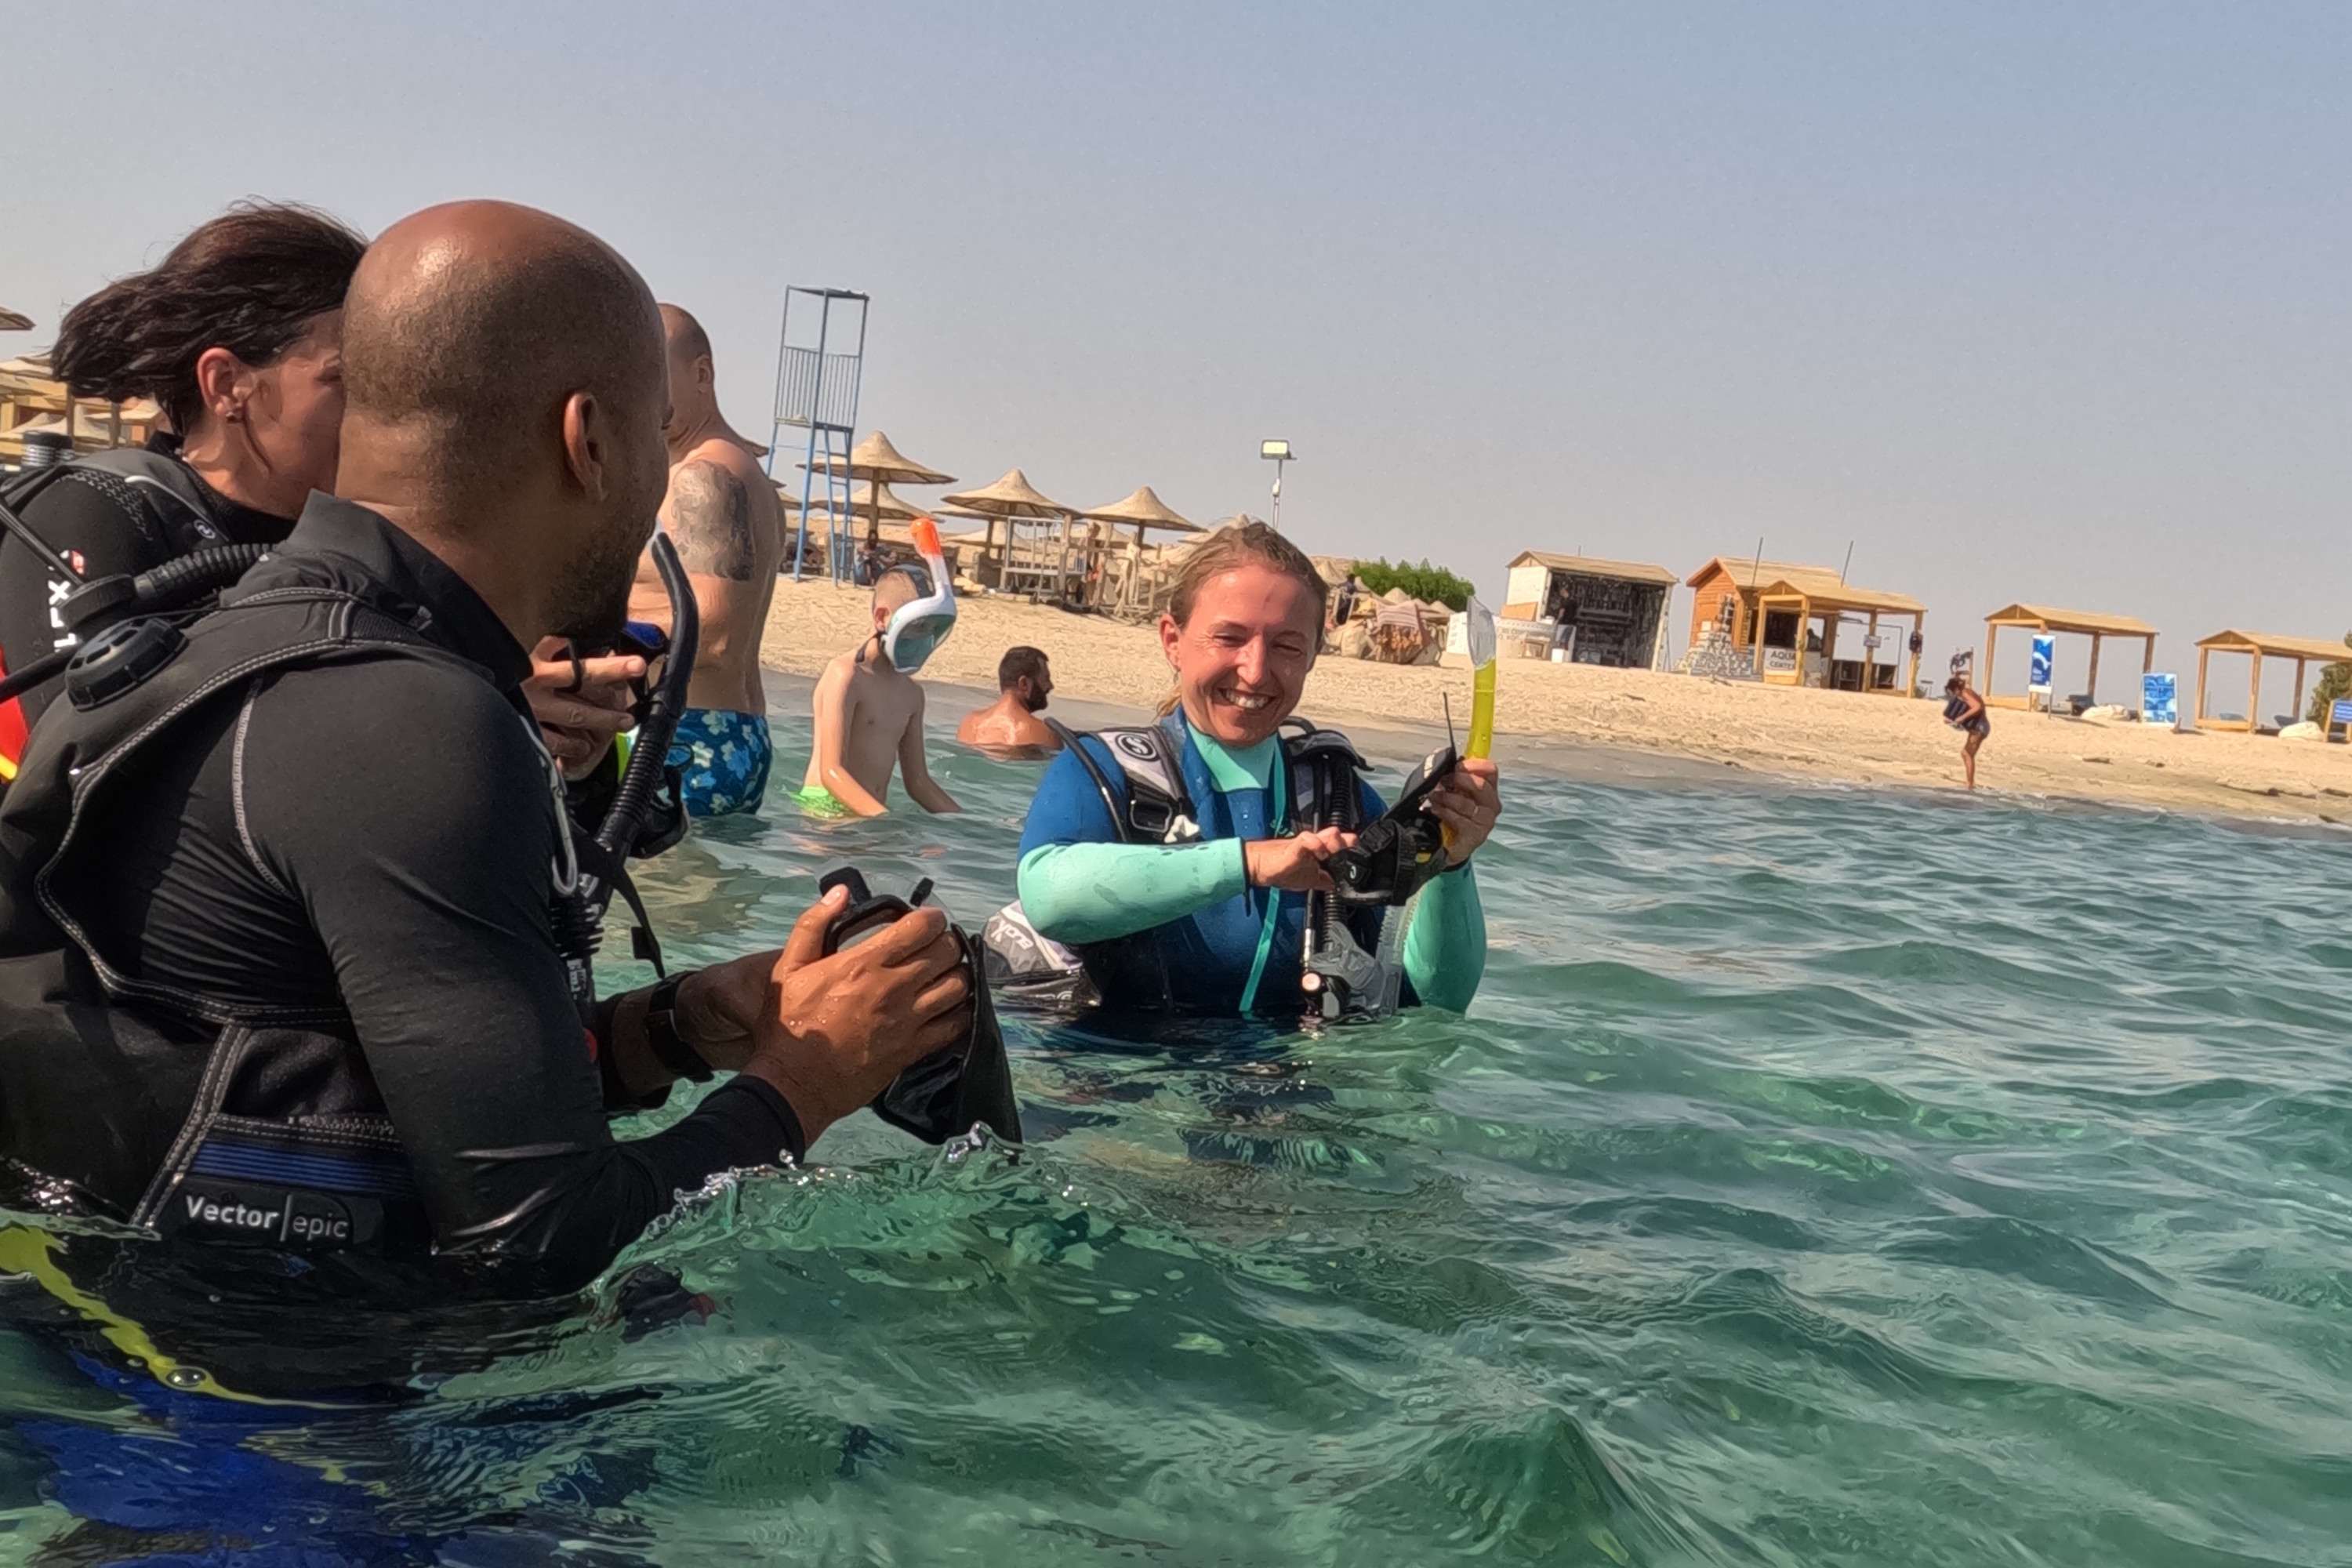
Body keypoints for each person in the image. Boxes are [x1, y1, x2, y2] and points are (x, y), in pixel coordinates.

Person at [0, 202, 971, 1377]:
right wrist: (805, 1081)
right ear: (589, 438)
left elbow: (353, 1072)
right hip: (255, 1425)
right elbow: (540, 1242)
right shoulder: (410, 722)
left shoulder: (280, 646)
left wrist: (675, 1028)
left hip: (139, 1342)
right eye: (656, 439)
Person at [0, 201, 646, 792]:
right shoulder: (94, 508)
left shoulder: (375, 546)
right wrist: (459, 709)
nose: (384, 407)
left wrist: (564, 743)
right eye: (349, 380)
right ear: (226, 384)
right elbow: (85, 765)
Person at [1007, 522, 1501, 1017]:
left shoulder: (1337, 798)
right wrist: (1251, 863)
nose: (1256, 670)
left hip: (1289, 1065)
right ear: (1173, 640)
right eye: (1229, 637)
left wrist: (1451, 862)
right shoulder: (1107, 773)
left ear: (1313, 655)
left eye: (1287, 646)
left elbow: (1437, 999)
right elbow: (1048, 897)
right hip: (1114, 1061)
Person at [626, 304, 789, 816]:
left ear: (701, 374)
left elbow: (713, 629)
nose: (635, 394)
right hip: (726, 733)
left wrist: (580, 633)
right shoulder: (743, 471)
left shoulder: (705, 477)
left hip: (687, 738)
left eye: (652, 375)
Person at [797, 564, 964, 816]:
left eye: (930, 629)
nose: (923, 638)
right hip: (826, 810)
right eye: (917, 627)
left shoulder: (912, 694)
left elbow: (918, 782)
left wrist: (965, 824)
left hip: (871, 814)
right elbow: (831, 771)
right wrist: (882, 819)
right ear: (881, 618)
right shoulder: (845, 676)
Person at [956, 645, 1061, 757]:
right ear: (1024, 683)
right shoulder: (1044, 733)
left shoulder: (969, 723)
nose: (1050, 686)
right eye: (1045, 679)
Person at [1944, 672, 1990, 789]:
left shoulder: (1965, 693)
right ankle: (1970, 782)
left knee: (1967, 754)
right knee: (1967, 754)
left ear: (1956, 689)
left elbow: (1978, 706)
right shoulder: (1965, 692)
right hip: (1979, 727)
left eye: (1953, 692)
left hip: (1979, 727)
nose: (1954, 695)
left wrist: (1962, 718)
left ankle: (1970, 784)